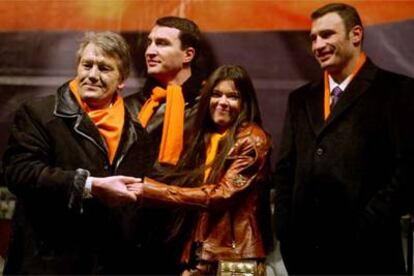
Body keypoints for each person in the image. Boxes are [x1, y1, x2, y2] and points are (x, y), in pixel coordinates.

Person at [274, 3, 414, 275]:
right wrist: (285, 229)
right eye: (313, 37)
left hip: (370, 254)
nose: (318, 45)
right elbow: (285, 168)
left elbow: (407, 169)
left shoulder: (398, 91)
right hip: (305, 257)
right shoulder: (300, 99)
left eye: (327, 35)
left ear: (356, 35)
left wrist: (366, 226)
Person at [2, 32, 155, 274]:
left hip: (107, 264)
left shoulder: (137, 133)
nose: (93, 75)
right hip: (47, 264)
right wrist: (88, 185)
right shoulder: (38, 113)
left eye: (104, 68)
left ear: (122, 79)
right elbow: (19, 173)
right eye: (87, 65)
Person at [127, 65, 273, 275]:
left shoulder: (252, 139)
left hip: (236, 258)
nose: (222, 102)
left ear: (244, 102)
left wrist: (152, 191)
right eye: (216, 94)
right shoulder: (204, 138)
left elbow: (222, 195)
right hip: (203, 254)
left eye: (232, 96)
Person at [124, 16, 211, 274]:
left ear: (188, 54)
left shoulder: (211, 105)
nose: (150, 50)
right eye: (150, 43)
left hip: (185, 235)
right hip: (132, 235)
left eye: (161, 43)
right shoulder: (131, 105)